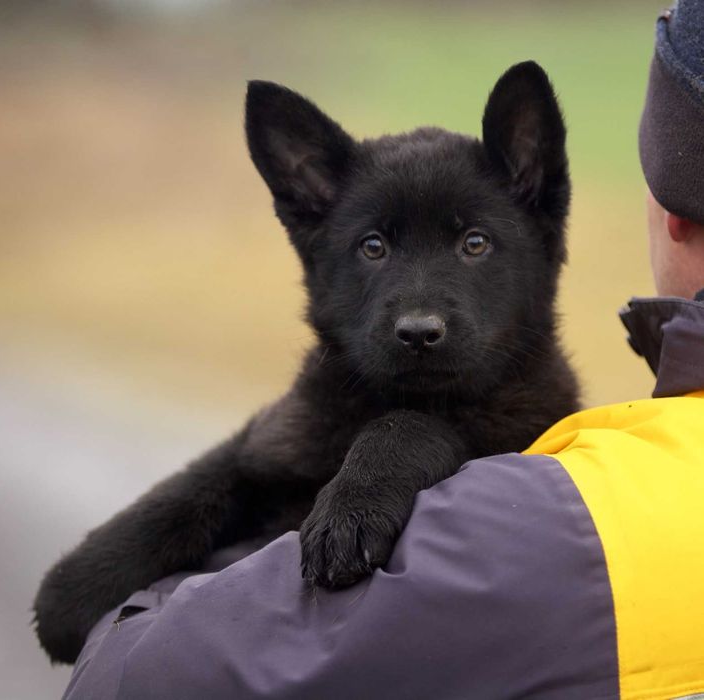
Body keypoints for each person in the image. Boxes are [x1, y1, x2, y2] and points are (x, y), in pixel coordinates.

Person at [60, 3, 704, 698]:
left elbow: (130, 678)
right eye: (375, 247)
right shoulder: (641, 463)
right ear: (309, 214)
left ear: (537, 196)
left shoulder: (557, 491)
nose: (420, 312)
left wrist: (405, 439)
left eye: (472, 243)